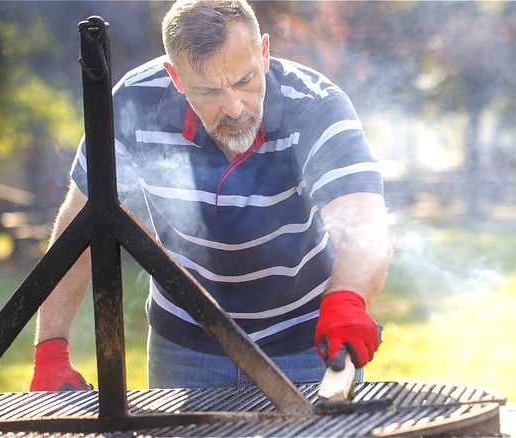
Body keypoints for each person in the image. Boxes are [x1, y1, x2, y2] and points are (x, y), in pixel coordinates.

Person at [30, 0, 391, 390]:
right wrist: (51, 349)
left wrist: (349, 301)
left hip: (305, 342)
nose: (234, 108)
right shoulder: (133, 102)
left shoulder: (317, 106)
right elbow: (82, 223)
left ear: (264, 52)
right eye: (208, 90)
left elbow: (363, 226)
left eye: (244, 80)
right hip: (186, 346)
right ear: (176, 77)